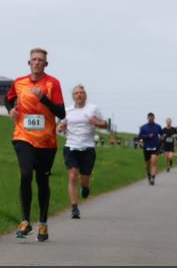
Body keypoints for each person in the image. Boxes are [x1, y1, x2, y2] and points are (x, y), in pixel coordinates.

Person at [6, 47, 66, 242]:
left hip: (46, 140)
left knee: (42, 181)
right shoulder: (18, 83)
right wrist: (11, 111)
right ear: (29, 63)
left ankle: (43, 224)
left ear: (46, 64)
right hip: (23, 136)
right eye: (34, 59)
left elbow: (61, 113)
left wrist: (43, 98)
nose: (37, 62)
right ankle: (25, 221)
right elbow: (8, 101)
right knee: (25, 174)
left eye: (41, 60)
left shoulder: (53, 83)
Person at [57, 84, 108, 219]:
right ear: (73, 96)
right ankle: (74, 207)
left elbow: (105, 124)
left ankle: (85, 187)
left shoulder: (92, 109)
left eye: (81, 93)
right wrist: (61, 127)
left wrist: (96, 123)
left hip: (88, 148)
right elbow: (59, 127)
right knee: (73, 176)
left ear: (85, 95)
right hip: (71, 147)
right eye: (76, 93)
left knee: (84, 179)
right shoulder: (67, 111)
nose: (79, 95)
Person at [137, 113, 164, 185]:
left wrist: (162, 138)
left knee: (153, 161)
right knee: (147, 165)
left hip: (155, 147)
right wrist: (147, 136)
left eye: (152, 117)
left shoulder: (158, 126)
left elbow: (161, 134)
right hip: (146, 147)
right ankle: (149, 175)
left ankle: (153, 177)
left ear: (154, 117)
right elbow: (140, 137)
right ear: (147, 118)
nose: (151, 118)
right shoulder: (143, 127)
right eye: (149, 117)